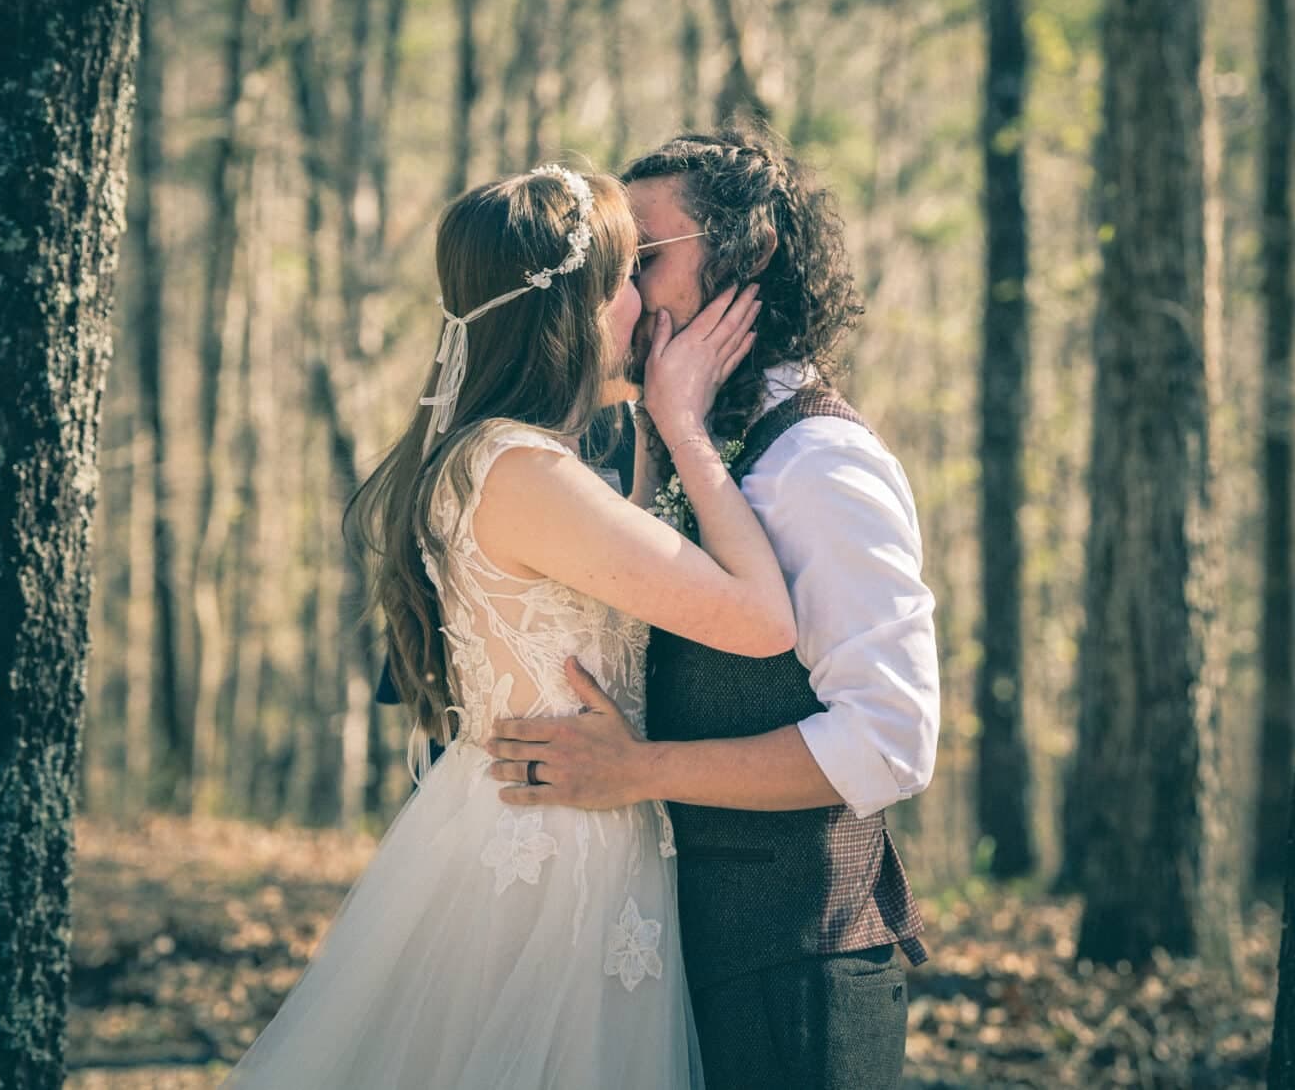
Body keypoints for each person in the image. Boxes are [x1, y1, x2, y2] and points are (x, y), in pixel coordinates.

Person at [222, 163, 790, 1089]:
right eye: (621, 279)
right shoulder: (523, 472)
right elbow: (764, 621)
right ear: (571, 309)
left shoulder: (504, 456)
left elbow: (616, 580)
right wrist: (685, 424)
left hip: (539, 822)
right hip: (553, 862)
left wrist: (649, 426)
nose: (641, 300)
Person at [486, 127, 940, 1090]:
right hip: (670, 964)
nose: (626, 288)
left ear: (751, 256)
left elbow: (891, 739)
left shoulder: (823, 462)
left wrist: (638, 771)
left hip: (794, 980)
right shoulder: (667, 437)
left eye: (646, 257)